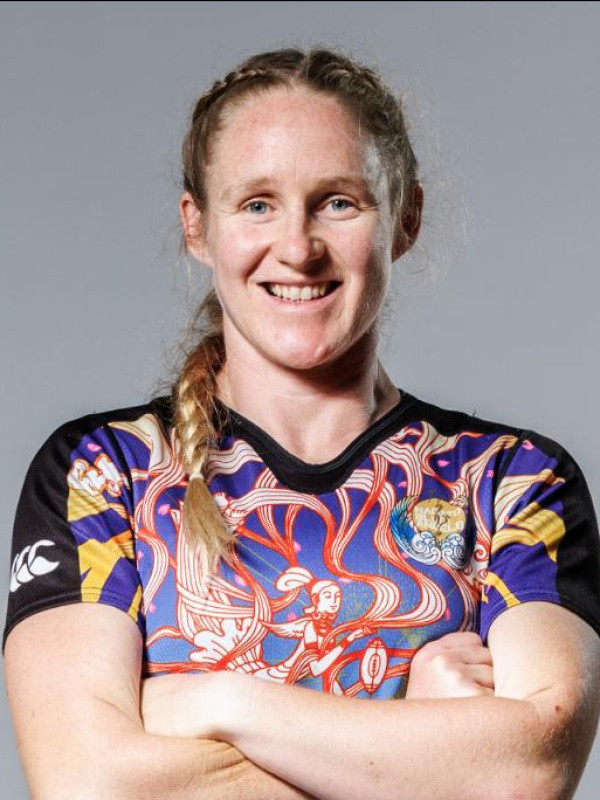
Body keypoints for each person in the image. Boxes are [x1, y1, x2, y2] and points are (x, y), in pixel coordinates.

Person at [3, 45, 600, 800]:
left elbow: (528, 770)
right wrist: (415, 743)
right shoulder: (103, 471)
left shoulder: (511, 480)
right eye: (257, 204)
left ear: (406, 219)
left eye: (338, 202)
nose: (297, 248)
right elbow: (87, 782)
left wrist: (212, 702)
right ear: (197, 227)